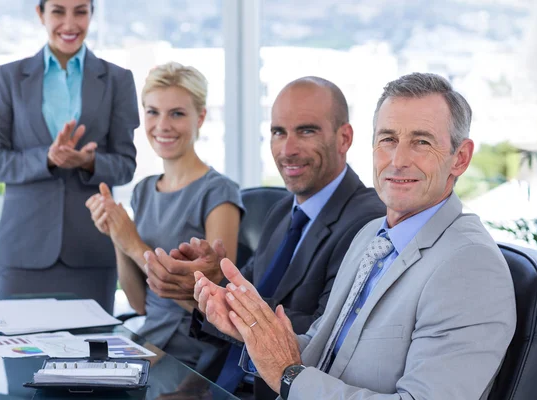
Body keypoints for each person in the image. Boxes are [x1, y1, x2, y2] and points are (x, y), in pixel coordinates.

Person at [194, 72, 517, 400]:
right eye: (388, 139)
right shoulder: (371, 237)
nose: (398, 160)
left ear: (459, 158)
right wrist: (253, 327)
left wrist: (288, 376)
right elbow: (323, 349)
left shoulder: (470, 265)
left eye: (421, 142)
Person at [143, 76, 386, 398]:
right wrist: (210, 282)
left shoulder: (368, 222)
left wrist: (226, 294)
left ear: (344, 138)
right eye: (278, 132)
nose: (287, 150)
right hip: (216, 385)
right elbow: (237, 313)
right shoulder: (282, 211)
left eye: (306, 131)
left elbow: (324, 332)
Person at [0, 0, 138, 313]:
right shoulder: (9, 78)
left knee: (90, 361)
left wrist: (88, 162)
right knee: (19, 355)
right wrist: (46, 159)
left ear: (92, 14)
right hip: (22, 255)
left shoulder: (117, 80)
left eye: (80, 11)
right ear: (40, 14)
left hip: (90, 252)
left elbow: (125, 165)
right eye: (58, 11)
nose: (69, 23)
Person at [85, 61, 244, 372]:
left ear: (200, 117)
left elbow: (218, 305)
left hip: (194, 349)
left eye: (177, 113)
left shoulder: (220, 192)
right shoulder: (144, 190)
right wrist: (117, 235)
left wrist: (131, 241)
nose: (162, 125)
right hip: (148, 339)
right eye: (153, 112)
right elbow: (138, 303)